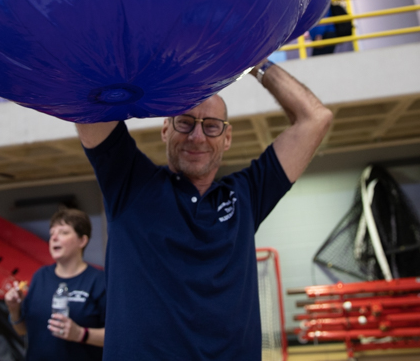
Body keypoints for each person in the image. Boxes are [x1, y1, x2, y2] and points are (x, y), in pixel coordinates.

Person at [76, 59, 333, 360]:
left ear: (226, 139)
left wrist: (254, 62)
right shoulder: (130, 184)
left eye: (211, 127)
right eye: (185, 122)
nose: (197, 137)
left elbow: (315, 118)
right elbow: (87, 98)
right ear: (165, 130)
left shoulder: (246, 195)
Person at [4, 208, 105, 361]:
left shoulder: (99, 280)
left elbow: (117, 336)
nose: (54, 238)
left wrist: (80, 334)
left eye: (63, 232)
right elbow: (22, 329)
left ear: (82, 241)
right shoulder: (40, 277)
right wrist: (14, 309)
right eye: (52, 234)